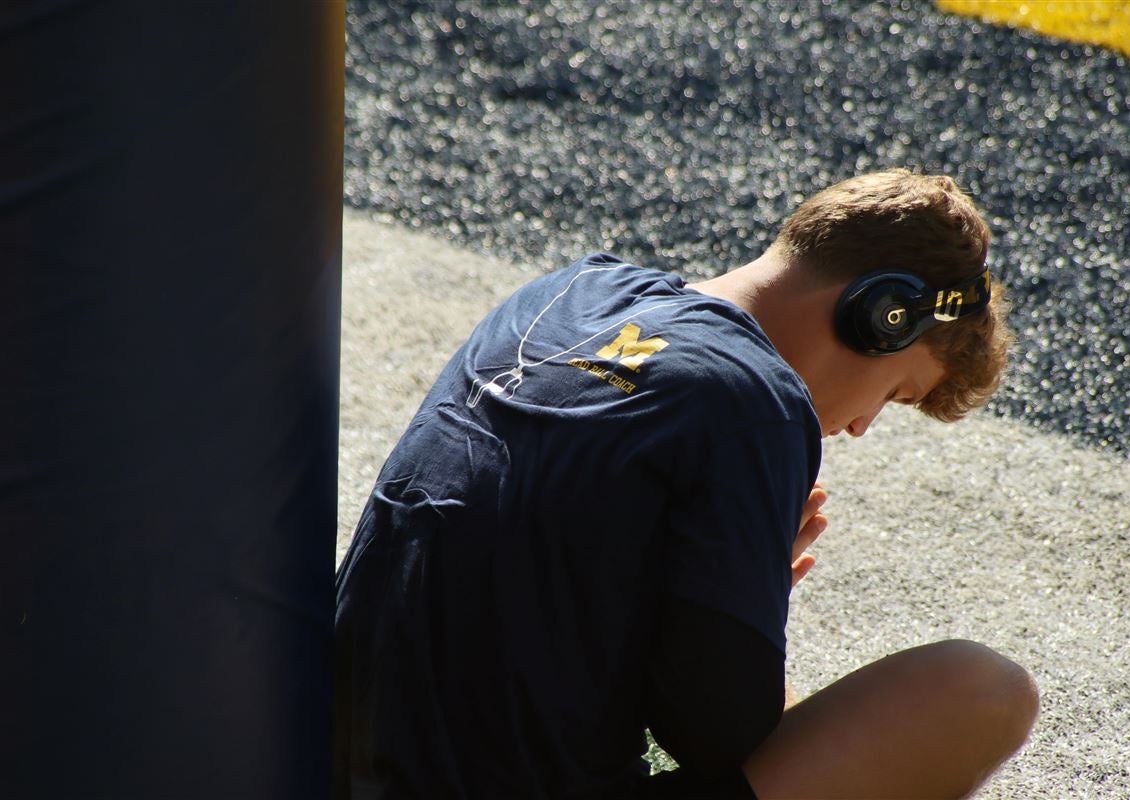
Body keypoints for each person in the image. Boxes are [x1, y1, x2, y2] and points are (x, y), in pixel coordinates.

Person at [334, 169, 1039, 799]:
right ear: (882, 317)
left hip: (319, 761)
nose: (860, 428)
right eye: (894, 393)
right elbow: (721, 736)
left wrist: (712, 590)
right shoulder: (755, 400)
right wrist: (749, 596)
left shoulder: (568, 291)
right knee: (984, 692)